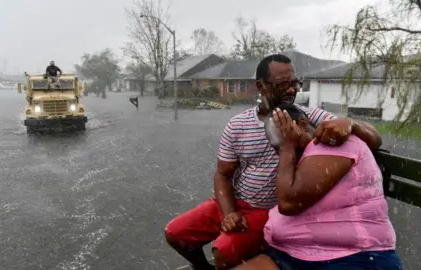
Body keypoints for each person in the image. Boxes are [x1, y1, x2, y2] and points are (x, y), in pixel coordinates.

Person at [164, 54, 383, 270]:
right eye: (283, 84)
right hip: (234, 202)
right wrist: (230, 212)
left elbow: (374, 139)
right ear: (261, 86)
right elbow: (223, 174)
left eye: (295, 82)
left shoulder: (305, 116)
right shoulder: (238, 125)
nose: (292, 89)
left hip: (268, 212)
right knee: (176, 233)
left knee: (224, 250)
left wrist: (350, 123)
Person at [233, 105, 402, 270]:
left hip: (352, 257)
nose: (281, 151)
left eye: (285, 137)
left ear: (303, 124)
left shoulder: (333, 142)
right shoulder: (304, 153)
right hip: (292, 255)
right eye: (276, 146)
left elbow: (289, 202)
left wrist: (287, 147)